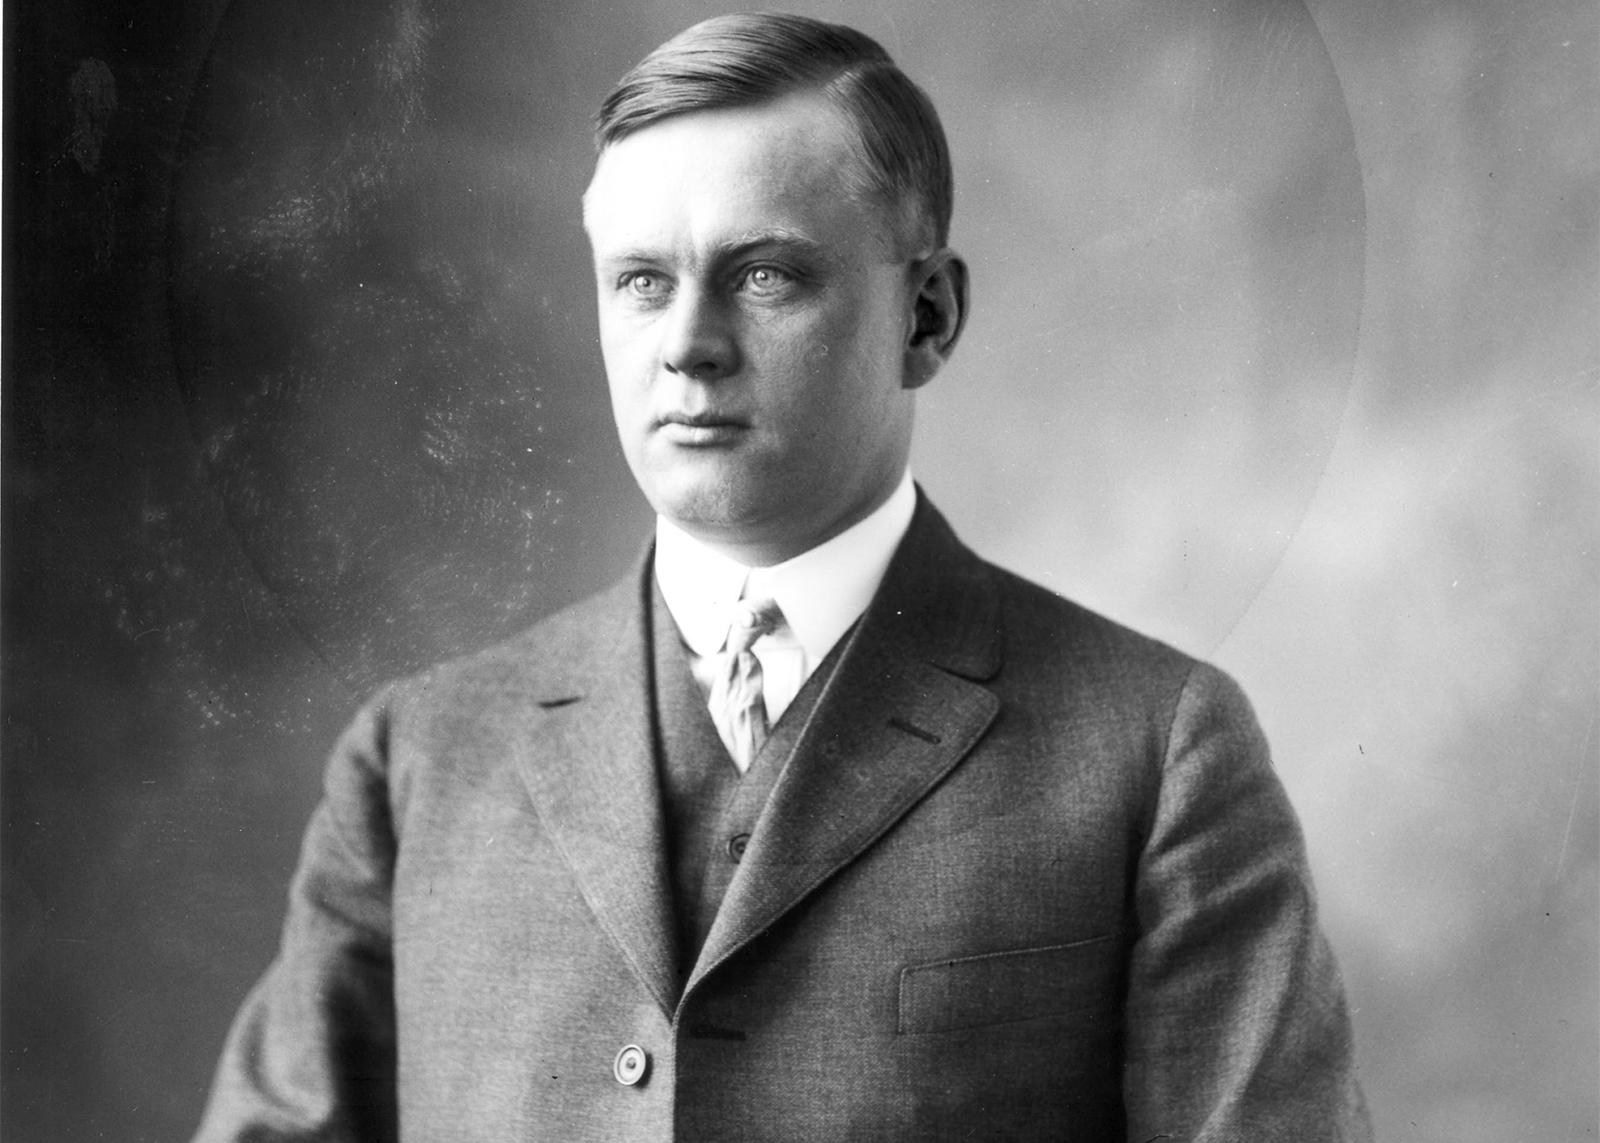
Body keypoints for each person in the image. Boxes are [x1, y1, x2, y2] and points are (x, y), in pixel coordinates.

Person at [194, 13, 1372, 1142]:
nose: (687, 343)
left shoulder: (1155, 750)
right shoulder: (418, 760)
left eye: (763, 277)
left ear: (927, 314)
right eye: (642, 281)